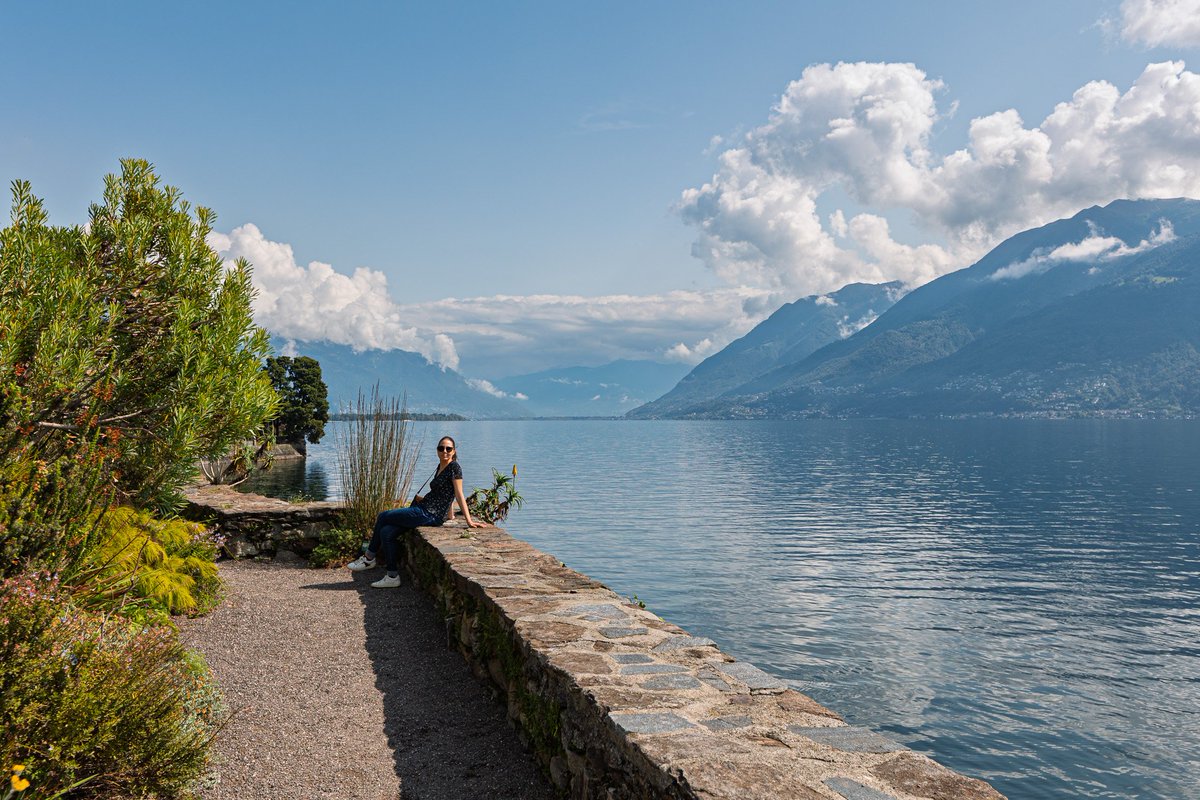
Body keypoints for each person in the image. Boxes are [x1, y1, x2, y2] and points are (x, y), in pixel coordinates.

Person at [347, 435, 485, 587]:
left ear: (453, 451)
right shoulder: (440, 466)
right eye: (441, 448)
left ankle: (368, 557)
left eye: (448, 448)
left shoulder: (454, 467)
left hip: (429, 514)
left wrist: (469, 521)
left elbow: (458, 493)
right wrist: (450, 514)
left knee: (383, 516)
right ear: (437, 451)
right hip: (423, 509)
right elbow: (447, 493)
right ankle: (392, 576)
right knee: (386, 532)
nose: (444, 451)